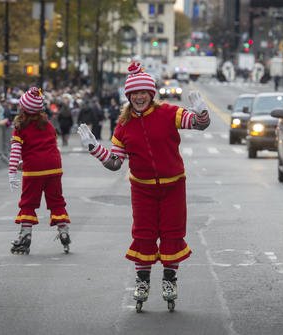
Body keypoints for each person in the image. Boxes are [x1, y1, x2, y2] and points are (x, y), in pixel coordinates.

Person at [78, 62, 210, 312]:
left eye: (143, 93)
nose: (139, 97)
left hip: (173, 186)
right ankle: (142, 283)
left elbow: (199, 124)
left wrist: (202, 113)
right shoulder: (123, 126)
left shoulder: (169, 113)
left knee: (172, 233)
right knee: (144, 234)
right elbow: (116, 163)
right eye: (134, 94)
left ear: (151, 94)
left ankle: (170, 282)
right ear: (129, 97)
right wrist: (96, 150)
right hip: (142, 189)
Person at [8, 87, 72, 255]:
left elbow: (15, 151)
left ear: (23, 108)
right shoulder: (48, 125)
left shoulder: (20, 127)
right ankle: (64, 231)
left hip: (34, 169)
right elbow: (50, 145)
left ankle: (25, 236)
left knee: (28, 203)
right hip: (54, 166)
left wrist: (13, 170)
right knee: (56, 200)